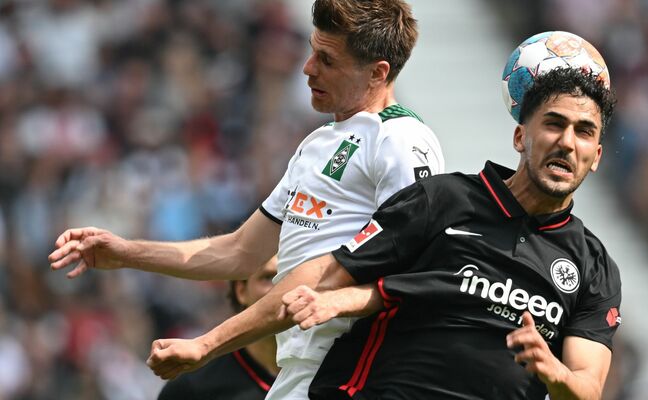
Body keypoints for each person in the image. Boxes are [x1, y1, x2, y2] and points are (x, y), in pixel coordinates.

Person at [146, 66, 621, 399]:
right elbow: (327, 275)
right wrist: (206, 345)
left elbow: (586, 388)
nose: (566, 142)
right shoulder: (443, 200)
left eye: (584, 132)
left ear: (597, 156)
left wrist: (549, 366)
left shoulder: (593, 266)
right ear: (521, 136)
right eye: (554, 124)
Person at [48, 0, 444, 398]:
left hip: (358, 371)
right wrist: (125, 253)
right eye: (312, 50)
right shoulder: (318, 143)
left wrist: (207, 343)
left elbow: (377, 268)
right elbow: (239, 252)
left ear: (377, 73)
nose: (307, 68)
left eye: (327, 59)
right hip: (303, 367)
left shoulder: (400, 139)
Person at [158, 261, 280, 400]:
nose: (281, 289)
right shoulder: (193, 388)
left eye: (290, 277)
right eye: (268, 277)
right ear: (241, 290)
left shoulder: (309, 373)